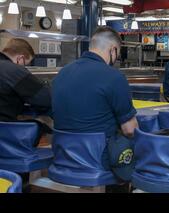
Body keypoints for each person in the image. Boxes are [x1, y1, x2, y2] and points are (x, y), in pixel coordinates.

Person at [52, 26, 138, 184]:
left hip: (62, 156)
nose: (116, 58)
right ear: (113, 49)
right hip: (99, 159)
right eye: (117, 54)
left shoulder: (62, 73)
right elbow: (130, 129)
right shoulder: (114, 77)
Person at [0, 38, 52, 145]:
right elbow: (45, 98)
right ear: (20, 58)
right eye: (26, 64)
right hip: (5, 132)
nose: (24, 67)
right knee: (43, 126)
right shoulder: (13, 70)